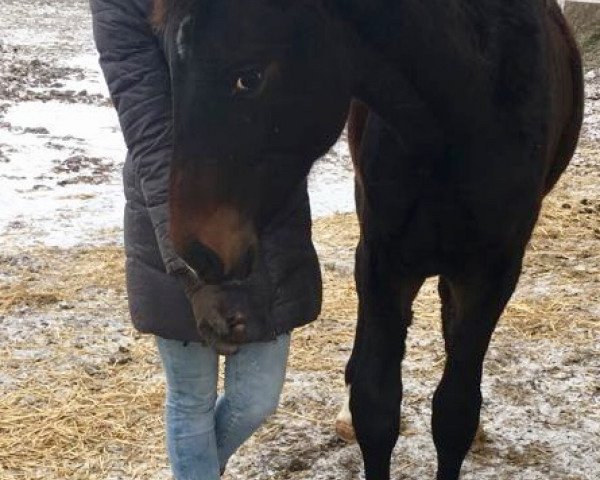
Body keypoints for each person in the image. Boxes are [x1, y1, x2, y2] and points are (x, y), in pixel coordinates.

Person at [90, 1, 322, 478]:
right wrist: (191, 272)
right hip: (178, 210)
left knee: (257, 398)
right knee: (191, 399)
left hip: (264, 209)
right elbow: (150, 134)